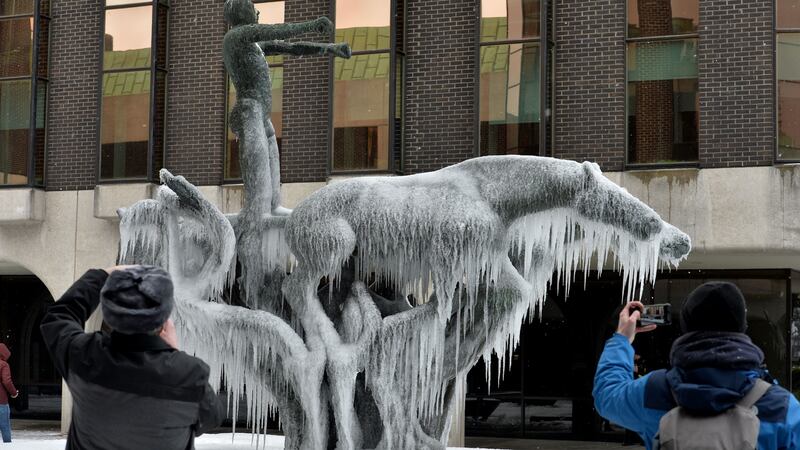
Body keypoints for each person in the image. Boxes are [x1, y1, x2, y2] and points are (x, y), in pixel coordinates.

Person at [593, 282, 800, 449]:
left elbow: (607, 396)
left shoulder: (655, 390)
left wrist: (621, 339)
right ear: (742, 328)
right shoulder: (781, 406)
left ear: (686, 327)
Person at [40, 265, 224, 450]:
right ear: (164, 318)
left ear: (110, 315)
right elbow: (211, 418)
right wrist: (173, 353)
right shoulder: (190, 374)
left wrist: (102, 274)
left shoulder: (84, 356)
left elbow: (59, 316)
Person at [0, 343, 18, 443]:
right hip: (1, 401)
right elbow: (6, 381)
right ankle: (7, 446)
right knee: (4, 426)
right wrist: (14, 393)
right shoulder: (4, 364)